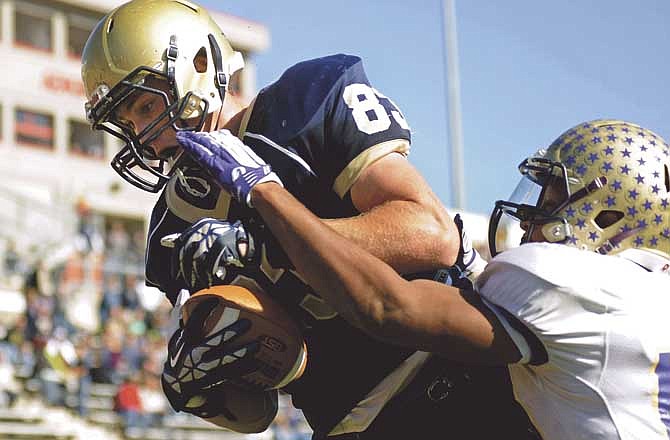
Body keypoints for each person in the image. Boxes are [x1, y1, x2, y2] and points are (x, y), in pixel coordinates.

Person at [80, 1, 538, 438]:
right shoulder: (172, 229)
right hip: (345, 425)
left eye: (145, 106)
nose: (143, 135)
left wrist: (264, 244)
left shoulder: (300, 107)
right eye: (127, 122)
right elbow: (259, 410)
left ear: (198, 64)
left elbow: (429, 232)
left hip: (455, 379)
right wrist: (203, 385)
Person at [176, 118, 670, 440]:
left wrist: (263, 191)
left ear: (608, 214)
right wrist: (472, 273)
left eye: (552, 196)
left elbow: (388, 307)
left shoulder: (575, 281)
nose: (533, 215)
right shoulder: (650, 297)